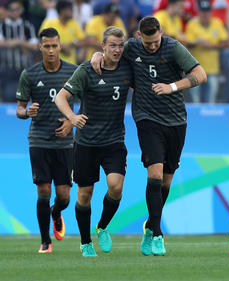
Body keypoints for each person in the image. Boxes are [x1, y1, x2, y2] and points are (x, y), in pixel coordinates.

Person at [91, 16, 207, 255]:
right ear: (139, 37)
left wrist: (172, 86)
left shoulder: (173, 47)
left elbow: (201, 74)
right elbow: (109, 51)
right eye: (148, 42)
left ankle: (149, 226)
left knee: (165, 181)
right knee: (154, 175)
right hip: (146, 118)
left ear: (161, 33)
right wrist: (96, 55)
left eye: (156, 41)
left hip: (176, 121)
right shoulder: (131, 47)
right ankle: (158, 234)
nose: (153, 46)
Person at [55, 26, 132, 257]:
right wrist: (72, 117)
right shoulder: (86, 70)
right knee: (84, 195)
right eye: (112, 46)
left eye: (120, 45)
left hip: (114, 141)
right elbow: (61, 97)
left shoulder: (128, 67)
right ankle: (85, 242)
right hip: (86, 143)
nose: (117, 50)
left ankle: (103, 226)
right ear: (103, 46)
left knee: (116, 187)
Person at [15, 27, 77, 253]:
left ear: (60, 46)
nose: (51, 50)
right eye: (46, 46)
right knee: (43, 190)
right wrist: (26, 112)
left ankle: (56, 212)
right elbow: (19, 109)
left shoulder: (73, 72)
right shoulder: (29, 75)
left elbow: (87, 103)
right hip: (39, 140)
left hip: (65, 143)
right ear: (40, 47)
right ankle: (45, 241)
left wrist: (71, 122)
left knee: (64, 196)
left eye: (54, 46)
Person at [0, 0, 39, 102]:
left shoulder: (27, 26)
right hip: (8, 69)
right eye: (12, 10)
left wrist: (18, 42)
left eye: (17, 9)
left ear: (21, 11)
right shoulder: (2, 25)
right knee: (9, 98)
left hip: (25, 69)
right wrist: (25, 44)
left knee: (25, 100)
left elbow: (35, 46)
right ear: (7, 11)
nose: (14, 12)